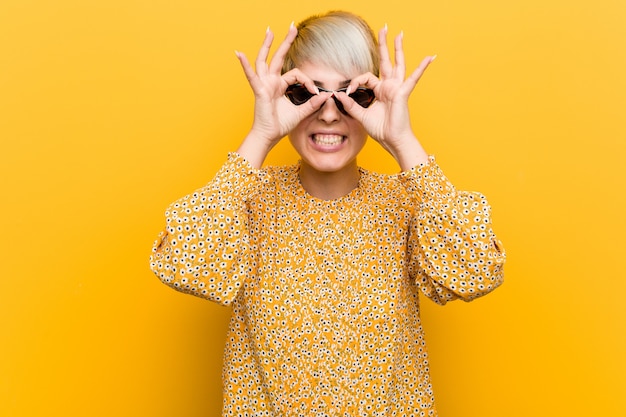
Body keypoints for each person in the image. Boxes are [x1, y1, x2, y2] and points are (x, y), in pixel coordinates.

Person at [150, 10, 505, 416]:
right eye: (307, 93)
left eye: (353, 95)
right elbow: (185, 266)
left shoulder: (407, 203)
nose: (330, 113)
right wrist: (260, 136)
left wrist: (403, 141)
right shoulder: (248, 200)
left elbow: (476, 270)